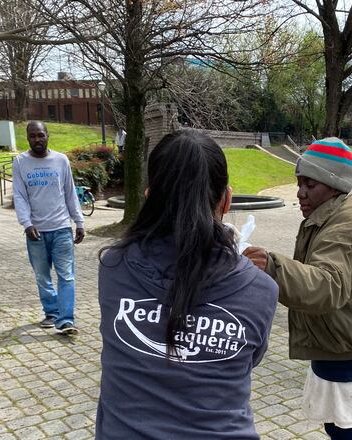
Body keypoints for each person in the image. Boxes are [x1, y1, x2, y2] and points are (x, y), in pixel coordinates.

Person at [96, 130, 278, 439]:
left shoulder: (112, 268)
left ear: (149, 197)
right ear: (227, 200)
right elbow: (250, 359)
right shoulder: (261, 290)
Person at [244, 137, 352, 440]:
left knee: (340, 422)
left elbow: (327, 285)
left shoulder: (344, 223)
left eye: (310, 184)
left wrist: (271, 265)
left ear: (334, 184)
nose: (300, 193)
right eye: (299, 182)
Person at [12, 121, 85, 335]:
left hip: (62, 228)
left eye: (40, 135)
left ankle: (65, 320)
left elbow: (70, 193)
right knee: (42, 277)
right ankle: (52, 312)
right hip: (36, 232)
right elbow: (20, 195)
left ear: (47, 135)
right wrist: (27, 223)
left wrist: (79, 222)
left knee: (66, 275)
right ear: (27, 138)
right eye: (32, 136)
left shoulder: (61, 161)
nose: (37, 139)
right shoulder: (19, 162)